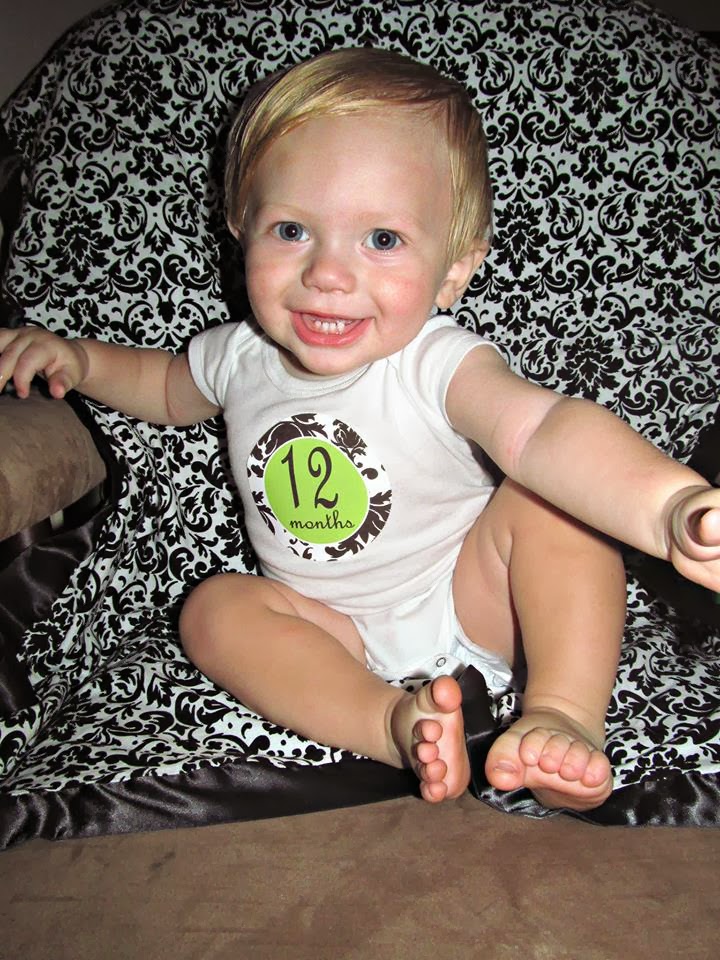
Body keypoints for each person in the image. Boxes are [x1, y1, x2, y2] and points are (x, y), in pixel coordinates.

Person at [1, 48, 719, 812]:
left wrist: (666, 506)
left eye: (381, 240)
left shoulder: (435, 363)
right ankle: (390, 723)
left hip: (476, 599)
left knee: (551, 503)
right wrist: (81, 360)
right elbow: (166, 387)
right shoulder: (240, 356)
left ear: (453, 270)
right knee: (214, 610)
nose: (328, 274)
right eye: (291, 230)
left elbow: (541, 431)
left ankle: (562, 715)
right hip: (331, 633)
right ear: (241, 229)